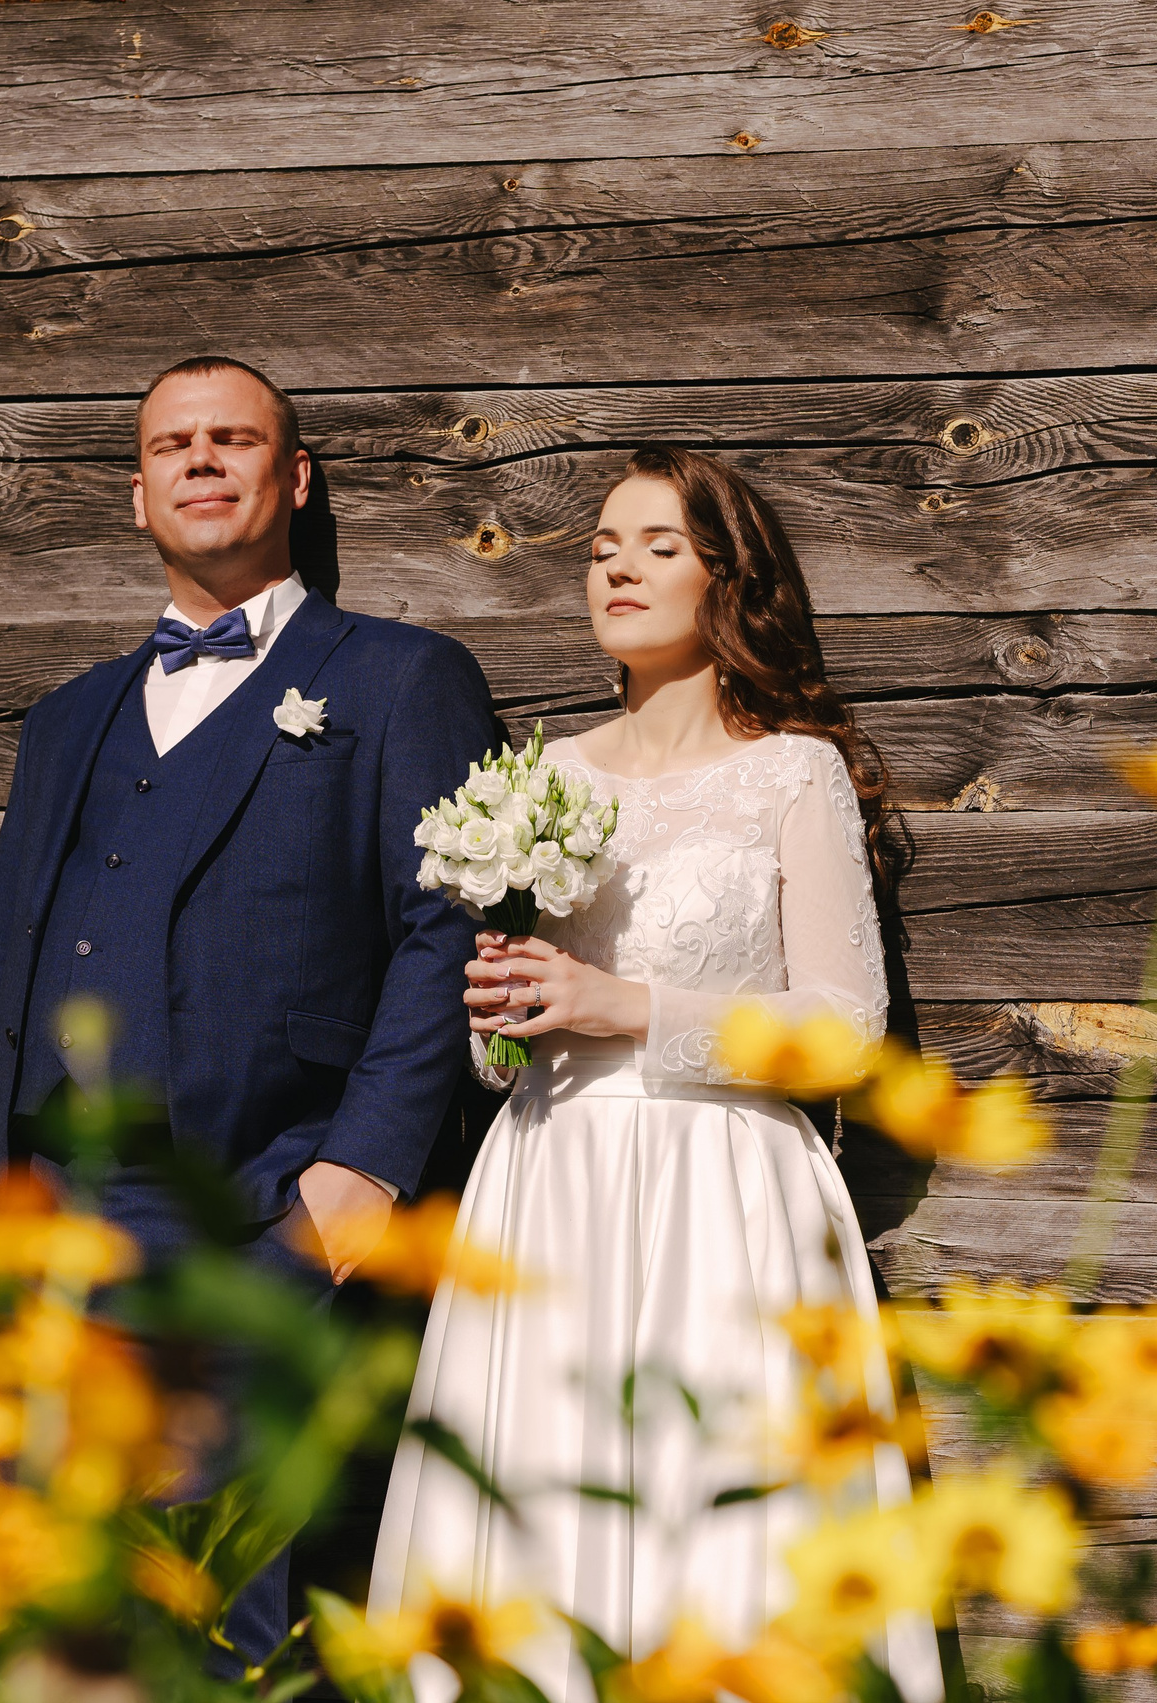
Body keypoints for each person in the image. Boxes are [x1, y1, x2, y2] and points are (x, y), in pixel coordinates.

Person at [0, 354, 500, 1663]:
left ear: (296, 477)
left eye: (235, 438)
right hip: (50, 1225)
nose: (202, 459)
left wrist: (363, 1167)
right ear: (137, 494)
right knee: (62, 1610)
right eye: (174, 443)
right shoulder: (67, 719)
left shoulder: (401, 679)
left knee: (246, 1609)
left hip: (265, 1208)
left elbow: (448, 923)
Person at [369, 448, 942, 1703]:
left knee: (723, 1517)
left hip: (724, 1189)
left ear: (729, 576)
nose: (617, 567)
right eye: (599, 548)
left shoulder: (790, 772)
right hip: (549, 1176)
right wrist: (500, 1015)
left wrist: (627, 1005)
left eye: (656, 545)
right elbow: (514, 1032)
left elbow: (845, 1029)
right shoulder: (545, 776)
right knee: (532, 1499)